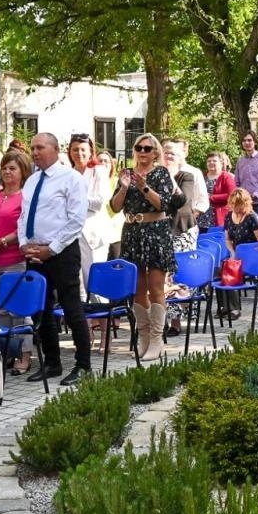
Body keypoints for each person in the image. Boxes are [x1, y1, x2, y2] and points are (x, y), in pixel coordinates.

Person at [21, 133, 94, 384]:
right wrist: (24, 244)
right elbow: (24, 216)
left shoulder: (70, 178)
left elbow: (76, 220)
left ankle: (83, 365)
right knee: (41, 310)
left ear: (55, 149)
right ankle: (52, 362)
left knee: (72, 307)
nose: (35, 152)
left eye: (40, 147)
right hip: (35, 253)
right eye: (33, 148)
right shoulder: (31, 181)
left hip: (61, 253)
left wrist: (51, 249)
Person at [111, 133, 182, 361]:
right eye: (139, 148)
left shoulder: (160, 173)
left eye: (147, 148)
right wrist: (123, 188)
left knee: (156, 288)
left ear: (155, 153)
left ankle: (156, 339)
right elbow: (113, 207)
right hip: (132, 232)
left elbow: (165, 204)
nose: (142, 152)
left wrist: (143, 187)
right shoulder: (127, 174)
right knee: (138, 288)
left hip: (155, 232)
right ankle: (142, 337)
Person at [0, 150, 33, 374]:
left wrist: (2, 242)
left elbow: (22, 229)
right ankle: (5, 353)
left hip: (14, 259)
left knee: (17, 311)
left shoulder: (25, 197)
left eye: (12, 168)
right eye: (4, 167)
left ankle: (23, 354)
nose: (7, 172)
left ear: (23, 171)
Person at [68, 134, 112, 292]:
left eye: (82, 150)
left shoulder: (98, 171)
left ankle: (101, 314)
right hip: (72, 233)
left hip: (93, 234)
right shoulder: (68, 174)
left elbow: (100, 203)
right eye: (75, 150)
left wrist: (76, 199)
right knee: (78, 282)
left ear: (90, 151)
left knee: (95, 279)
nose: (79, 153)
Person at [221, 187, 258, 321]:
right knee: (217, 271)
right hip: (236, 255)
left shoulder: (253, 217)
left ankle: (235, 308)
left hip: (253, 257)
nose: (234, 207)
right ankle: (225, 307)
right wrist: (233, 253)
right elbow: (228, 239)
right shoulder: (229, 217)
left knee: (231, 270)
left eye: (238, 204)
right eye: (233, 204)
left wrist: (246, 256)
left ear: (245, 203)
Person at [164, 141, 203, 256]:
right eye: (165, 153)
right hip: (161, 228)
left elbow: (183, 201)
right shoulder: (155, 176)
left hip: (182, 228)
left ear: (180, 159)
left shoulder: (187, 176)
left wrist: (169, 176)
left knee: (181, 269)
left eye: (172, 154)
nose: (168, 156)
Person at [235, 132, 258, 205]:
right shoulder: (240, 160)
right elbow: (236, 182)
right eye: (244, 141)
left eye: (249, 140)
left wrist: (255, 195)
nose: (246, 142)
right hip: (243, 202)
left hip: (257, 202)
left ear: (255, 142)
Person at [203, 151, 235, 232]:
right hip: (202, 216)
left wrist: (211, 197)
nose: (211, 163)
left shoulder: (226, 177)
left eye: (214, 161)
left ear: (221, 163)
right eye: (209, 161)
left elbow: (232, 195)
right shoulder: (202, 176)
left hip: (219, 216)